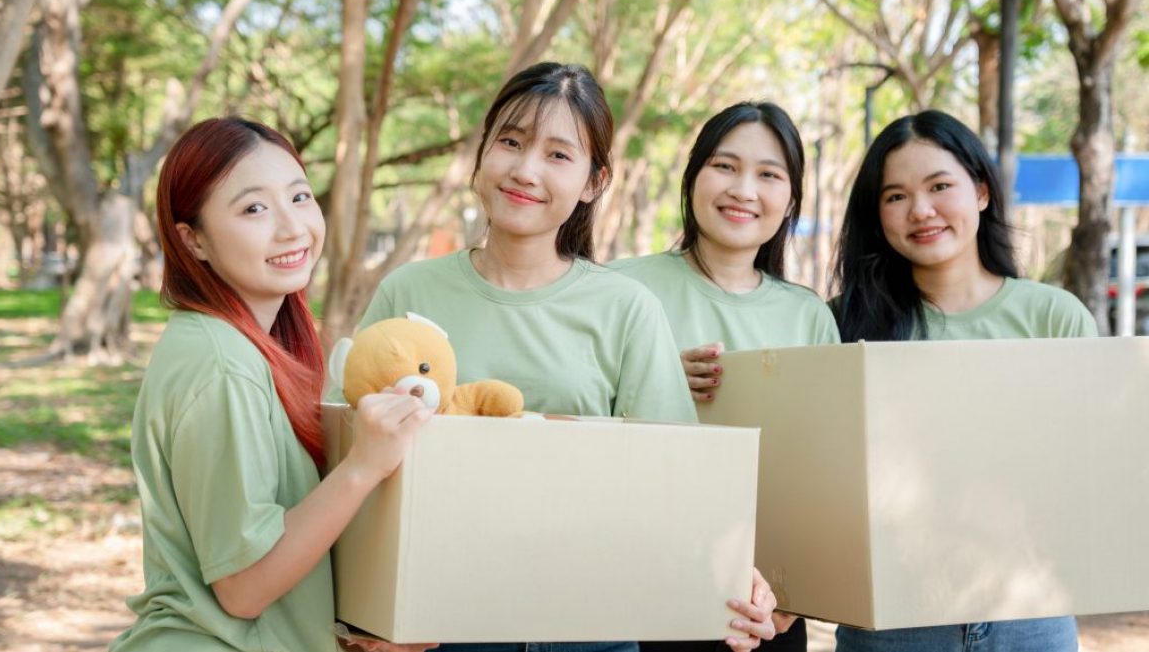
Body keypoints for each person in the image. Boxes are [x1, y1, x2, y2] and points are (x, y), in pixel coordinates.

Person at [350, 62, 788, 652]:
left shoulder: (626, 307)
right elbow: (352, 458)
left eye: (558, 154)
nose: (526, 170)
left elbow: (675, 478)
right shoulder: (407, 293)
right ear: (483, 153)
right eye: (511, 142)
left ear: (593, 182)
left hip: (592, 629)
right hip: (437, 628)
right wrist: (363, 619)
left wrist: (739, 581)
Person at [112, 117, 433, 652]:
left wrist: (350, 636)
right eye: (254, 209)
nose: (292, 228)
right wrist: (363, 465)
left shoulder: (247, 347)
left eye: (300, 197)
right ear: (193, 240)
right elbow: (243, 589)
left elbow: (281, 542)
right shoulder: (222, 365)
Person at [830, 109, 1093, 651]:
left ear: (981, 191)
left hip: (1030, 616)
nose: (920, 210)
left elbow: (1088, 465)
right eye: (896, 196)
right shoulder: (839, 324)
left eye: (939, 186)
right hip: (890, 625)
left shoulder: (1054, 317)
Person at [611, 101, 835, 652]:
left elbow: (829, 475)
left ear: (790, 200)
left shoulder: (808, 314)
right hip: (636, 592)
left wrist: (793, 597)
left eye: (769, 175)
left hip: (766, 609)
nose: (744, 190)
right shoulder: (620, 289)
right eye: (724, 166)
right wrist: (655, 380)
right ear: (692, 179)